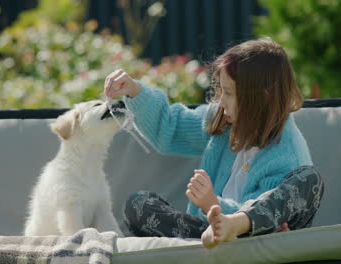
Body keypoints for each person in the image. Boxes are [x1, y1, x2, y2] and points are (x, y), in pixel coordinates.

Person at [103, 37, 324, 248]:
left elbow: (262, 219)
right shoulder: (224, 122)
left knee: (307, 178)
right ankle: (209, 243)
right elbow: (169, 127)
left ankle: (212, 241)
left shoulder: (287, 154)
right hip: (207, 235)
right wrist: (134, 91)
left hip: (250, 242)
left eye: (228, 92)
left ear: (261, 97)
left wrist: (213, 205)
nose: (221, 101)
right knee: (138, 205)